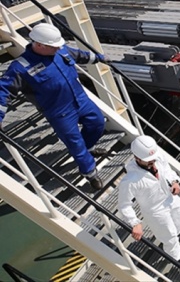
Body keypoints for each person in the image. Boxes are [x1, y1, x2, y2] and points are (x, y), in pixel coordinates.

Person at [0, 23, 108, 190]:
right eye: (54, 46)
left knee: (98, 123)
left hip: (80, 99)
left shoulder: (61, 50)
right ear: (39, 45)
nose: (58, 48)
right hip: (60, 112)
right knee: (75, 143)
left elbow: (79, 55)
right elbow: (3, 90)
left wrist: (100, 58)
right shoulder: (20, 67)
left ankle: (89, 147)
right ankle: (90, 172)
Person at [117, 135, 180, 269]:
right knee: (168, 235)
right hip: (156, 210)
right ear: (137, 158)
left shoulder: (157, 157)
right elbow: (124, 205)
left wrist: (174, 181)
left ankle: (174, 238)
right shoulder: (130, 180)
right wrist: (135, 223)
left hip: (170, 198)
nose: (153, 161)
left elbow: (167, 170)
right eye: (148, 160)